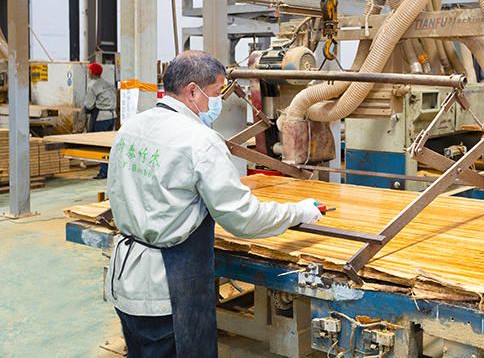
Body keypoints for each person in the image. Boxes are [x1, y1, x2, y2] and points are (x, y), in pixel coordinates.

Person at [103, 50, 322, 358]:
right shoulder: (200, 141)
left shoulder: (130, 128)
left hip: (125, 279)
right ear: (193, 91)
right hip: (166, 291)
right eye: (217, 92)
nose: (218, 102)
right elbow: (243, 218)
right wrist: (300, 212)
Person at [84, 62, 117, 179]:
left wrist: (84, 110)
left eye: (89, 71)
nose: (88, 72)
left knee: (101, 145)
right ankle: (111, 171)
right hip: (112, 116)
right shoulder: (108, 84)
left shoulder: (92, 86)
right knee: (109, 145)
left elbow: (89, 105)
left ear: (92, 73)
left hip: (101, 117)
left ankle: (104, 172)